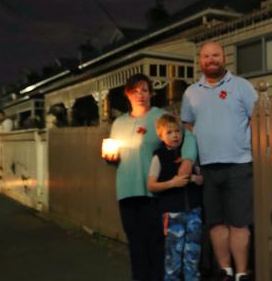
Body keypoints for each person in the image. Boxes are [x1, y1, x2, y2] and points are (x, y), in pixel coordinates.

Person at [103, 74, 196, 281]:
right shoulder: (118, 123)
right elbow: (113, 155)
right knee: (135, 244)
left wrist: (188, 160)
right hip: (126, 192)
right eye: (135, 91)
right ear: (128, 94)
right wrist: (109, 158)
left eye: (144, 90)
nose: (140, 95)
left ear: (151, 93)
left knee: (156, 243)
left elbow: (187, 136)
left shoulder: (160, 117)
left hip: (153, 192)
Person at [180, 42, 258, 281]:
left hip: (240, 163)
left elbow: (257, 118)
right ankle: (225, 270)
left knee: (239, 222)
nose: (211, 59)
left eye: (215, 55)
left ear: (224, 58)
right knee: (215, 222)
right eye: (205, 56)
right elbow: (188, 124)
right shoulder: (191, 93)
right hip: (208, 167)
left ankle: (242, 273)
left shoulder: (241, 87)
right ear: (200, 61)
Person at [148, 114, 203, 281]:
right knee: (173, 258)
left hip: (194, 212)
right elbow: (151, 185)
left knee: (192, 256)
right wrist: (172, 183)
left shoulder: (190, 154)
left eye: (177, 131)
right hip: (172, 215)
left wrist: (193, 178)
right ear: (161, 135)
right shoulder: (159, 156)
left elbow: (201, 179)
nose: (175, 135)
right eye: (169, 132)